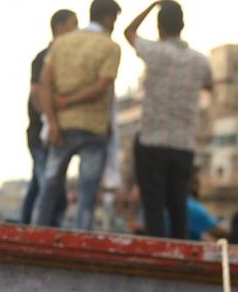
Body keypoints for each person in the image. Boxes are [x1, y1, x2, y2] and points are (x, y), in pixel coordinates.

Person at [124, 0, 213, 239]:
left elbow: (129, 32)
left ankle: (156, 249)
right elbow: (210, 84)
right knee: (178, 204)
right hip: (183, 143)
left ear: (160, 28)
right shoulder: (200, 60)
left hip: (152, 139)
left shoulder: (155, 51)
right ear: (182, 26)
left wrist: (153, 4)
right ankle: (181, 250)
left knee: (153, 204)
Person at [34, 0, 123, 231]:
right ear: (109, 19)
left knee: (49, 188)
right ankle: (81, 238)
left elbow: (45, 83)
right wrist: (70, 101)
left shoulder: (62, 43)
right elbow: (102, 86)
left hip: (61, 126)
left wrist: (52, 121)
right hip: (94, 128)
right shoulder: (110, 47)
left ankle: (35, 234)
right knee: (87, 192)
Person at [21, 9, 78, 225]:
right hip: (41, 133)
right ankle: (43, 232)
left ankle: (26, 228)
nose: (77, 29)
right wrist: (51, 120)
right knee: (51, 191)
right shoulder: (45, 57)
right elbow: (36, 93)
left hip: (52, 133)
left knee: (40, 185)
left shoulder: (65, 59)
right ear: (60, 27)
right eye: (73, 23)